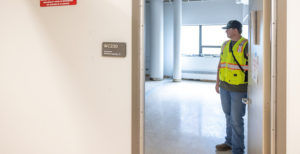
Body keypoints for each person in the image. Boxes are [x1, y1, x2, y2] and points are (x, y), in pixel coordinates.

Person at [215, 20, 248, 154]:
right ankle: (229, 142)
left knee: (236, 120)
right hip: (224, 87)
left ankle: (238, 150)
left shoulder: (246, 45)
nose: (226, 31)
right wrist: (217, 82)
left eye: (227, 29)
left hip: (238, 89)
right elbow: (220, 64)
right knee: (228, 116)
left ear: (235, 30)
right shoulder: (225, 45)